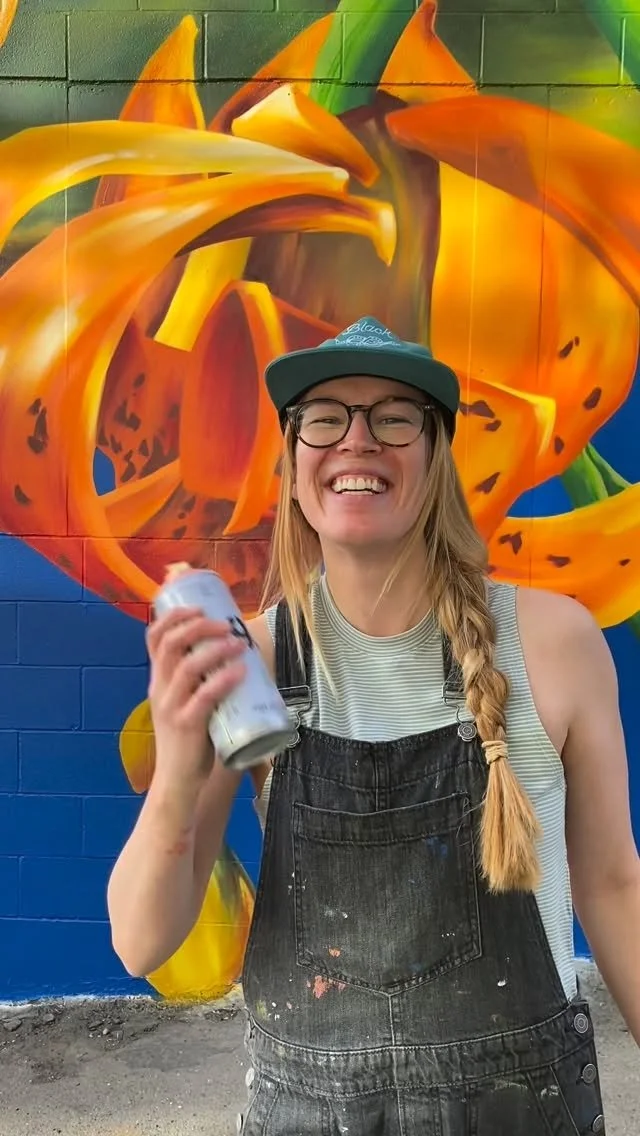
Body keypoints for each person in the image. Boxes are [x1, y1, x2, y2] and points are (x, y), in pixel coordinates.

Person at [108, 317, 640, 1135]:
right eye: (325, 418)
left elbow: (612, 885)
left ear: (436, 462)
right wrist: (179, 772)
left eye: (394, 418)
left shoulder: (553, 643)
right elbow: (142, 943)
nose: (357, 440)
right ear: (293, 470)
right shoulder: (248, 662)